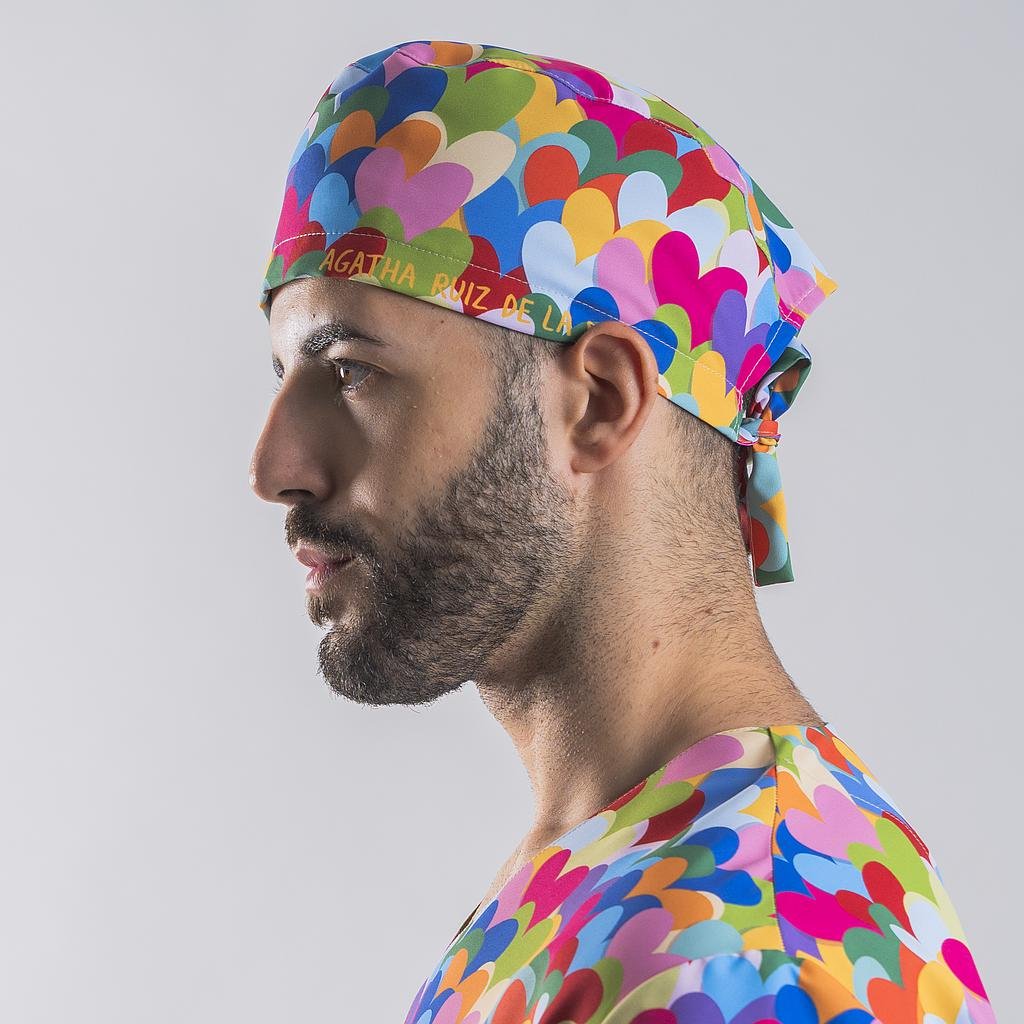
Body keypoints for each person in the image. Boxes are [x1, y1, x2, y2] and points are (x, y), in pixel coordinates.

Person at [249, 39, 996, 1024]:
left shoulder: (750, 952)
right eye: (284, 378)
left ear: (598, 401)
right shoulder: (611, 866)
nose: (274, 466)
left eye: (350, 369)